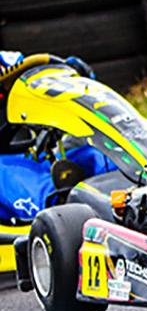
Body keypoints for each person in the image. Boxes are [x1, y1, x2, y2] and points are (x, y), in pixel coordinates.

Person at [0, 51, 110, 224]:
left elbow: (32, 73)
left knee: (95, 156)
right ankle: (60, 210)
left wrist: (75, 72)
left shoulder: (10, 60)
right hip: (8, 168)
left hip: (37, 156)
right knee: (18, 179)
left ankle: (144, 181)